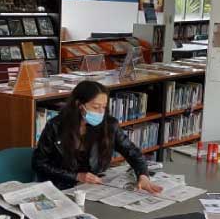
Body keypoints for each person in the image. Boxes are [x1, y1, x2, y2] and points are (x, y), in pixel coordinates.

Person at [33, 80, 162, 193]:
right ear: (79, 105)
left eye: (104, 107)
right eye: (95, 107)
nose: (101, 112)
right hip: (62, 187)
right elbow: (39, 163)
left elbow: (133, 152)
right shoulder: (55, 126)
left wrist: (143, 175)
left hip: (94, 186)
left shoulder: (109, 125)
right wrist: (76, 176)